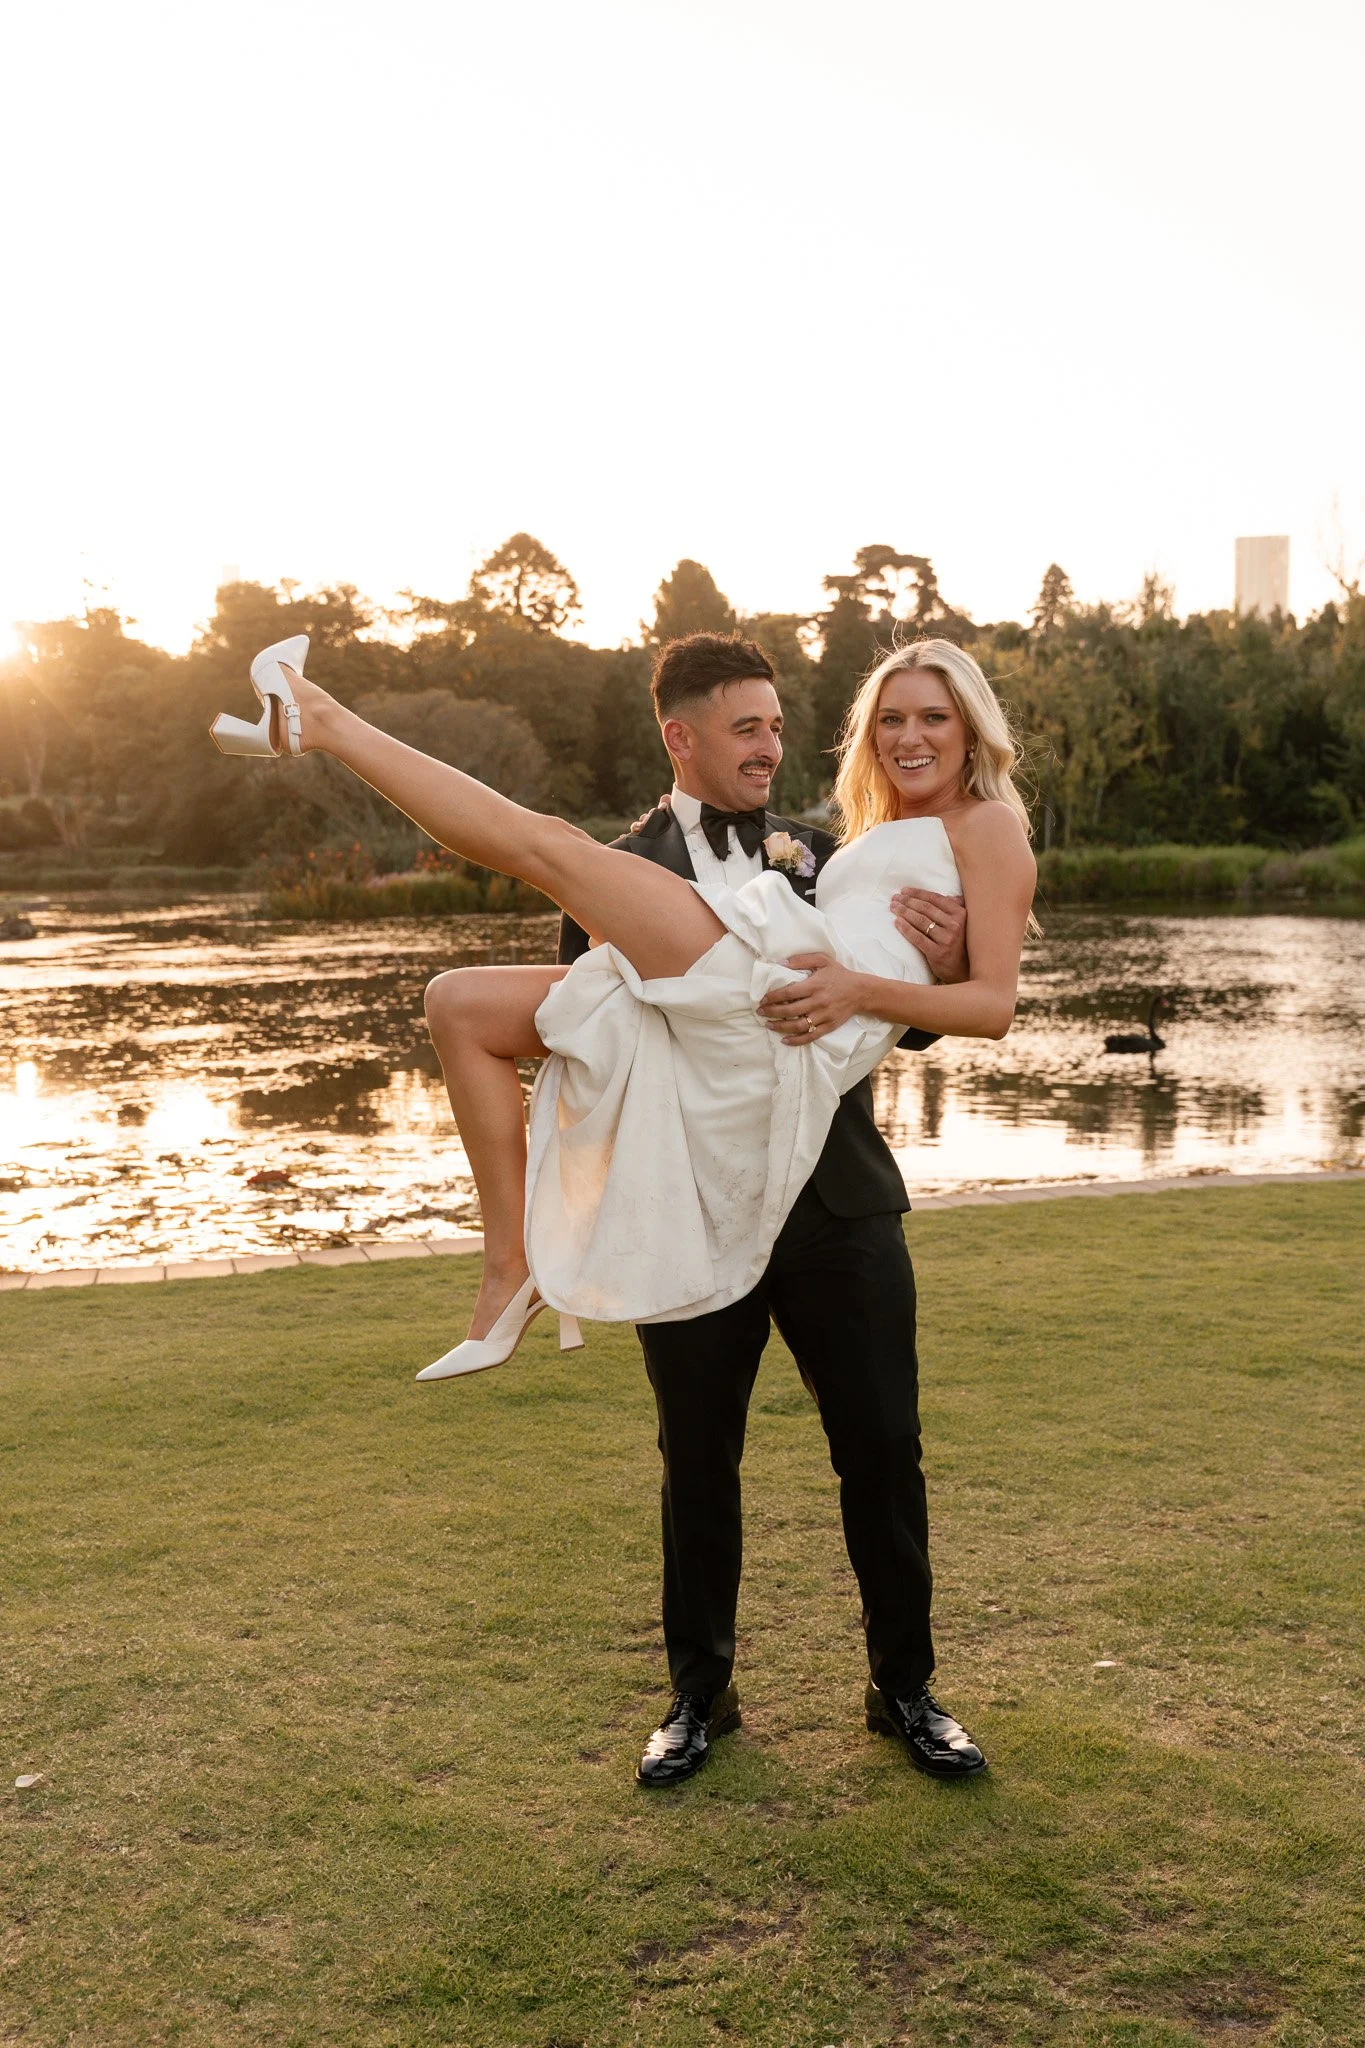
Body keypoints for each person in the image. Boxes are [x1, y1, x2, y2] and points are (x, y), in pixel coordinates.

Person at [211, 628, 1035, 1786]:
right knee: (694, 1455)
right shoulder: (671, 853)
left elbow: (946, 997)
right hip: (695, 1169)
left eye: (930, 720)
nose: (901, 738)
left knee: (883, 1452)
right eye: (888, 720)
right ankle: (700, 1697)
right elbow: (597, 1052)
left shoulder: (860, 838)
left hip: (826, 1179)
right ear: (680, 737)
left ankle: (906, 1689)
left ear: (968, 729)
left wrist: (920, 981)